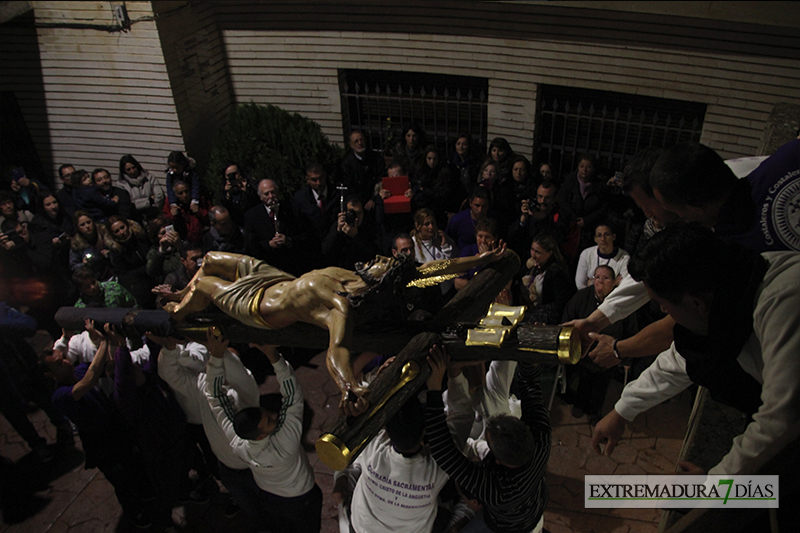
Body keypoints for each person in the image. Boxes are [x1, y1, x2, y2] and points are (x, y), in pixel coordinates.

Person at [155, 248, 507, 415]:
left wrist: (348, 385)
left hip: (259, 305)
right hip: (276, 279)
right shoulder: (362, 278)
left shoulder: (342, 304)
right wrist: (479, 260)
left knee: (206, 287)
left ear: (380, 279)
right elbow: (433, 270)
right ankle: (182, 292)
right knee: (212, 259)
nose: (378, 258)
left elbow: (337, 349)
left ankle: (178, 310)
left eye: (381, 263)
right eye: (381, 259)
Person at [591, 223, 800, 476]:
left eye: (662, 304)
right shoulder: (728, 286)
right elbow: (684, 356)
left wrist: (711, 487)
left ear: (695, 303)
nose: (665, 313)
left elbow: (780, 421)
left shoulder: (785, 301)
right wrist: (622, 411)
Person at [203, 332, 322, 533]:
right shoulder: (286, 443)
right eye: (269, 422)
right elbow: (293, 396)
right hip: (301, 499)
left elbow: (214, 397)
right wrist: (273, 355)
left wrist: (216, 356)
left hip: (269, 497)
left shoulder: (238, 441)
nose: (275, 416)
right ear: (259, 436)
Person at [40, 321, 155, 528]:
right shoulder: (59, 395)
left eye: (63, 359)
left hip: (115, 429)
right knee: (121, 479)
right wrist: (102, 342)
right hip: (101, 444)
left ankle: (147, 495)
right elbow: (90, 378)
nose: (66, 362)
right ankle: (135, 512)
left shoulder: (78, 370)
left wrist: (113, 343)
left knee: (134, 462)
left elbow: (103, 366)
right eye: (58, 364)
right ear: (49, 375)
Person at [425, 346, 550, 533]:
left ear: (498, 461)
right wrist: (528, 347)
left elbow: (445, 453)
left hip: (510, 526)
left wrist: (434, 389)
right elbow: (531, 387)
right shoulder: (541, 438)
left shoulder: (499, 490)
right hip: (535, 504)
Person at [153, 333, 264, 523]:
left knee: (268, 505)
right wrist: (170, 347)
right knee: (250, 507)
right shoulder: (203, 386)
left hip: (255, 467)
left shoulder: (243, 388)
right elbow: (169, 373)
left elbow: (233, 371)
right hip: (227, 468)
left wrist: (218, 352)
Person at [650, 139, 800, 253]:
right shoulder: (789, 154)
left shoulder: (738, 254)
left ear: (696, 207)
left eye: (680, 214)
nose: (686, 221)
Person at [333, 396, 450, 533]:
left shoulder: (372, 450)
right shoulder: (440, 465)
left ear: (386, 430)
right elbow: (461, 417)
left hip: (361, 528)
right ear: (424, 431)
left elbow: (356, 425)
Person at [562, 265, 637, 425]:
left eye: (605, 278)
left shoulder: (622, 301)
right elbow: (568, 317)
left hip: (608, 353)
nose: (600, 281)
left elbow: (631, 330)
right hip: (584, 352)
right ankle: (580, 404)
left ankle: (594, 411)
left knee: (601, 385)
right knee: (584, 379)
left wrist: (625, 357)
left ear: (615, 282)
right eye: (597, 277)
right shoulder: (582, 297)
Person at [244, 178, 301, 275]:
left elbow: (305, 235)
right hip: (267, 267)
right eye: (266, 194)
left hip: (292, 265)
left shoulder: (292, 209)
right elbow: (250, 245)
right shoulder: (252, 216)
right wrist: (268, 244)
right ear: (260, 197)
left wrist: (288, 241)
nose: (271, 196)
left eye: (273, 192)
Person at [516, 233, 575, 325]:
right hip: (527, 309)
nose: (533, 255)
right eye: (532, 250)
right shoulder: (530, 265)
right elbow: (515, 278)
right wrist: (526, 268)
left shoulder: (556, 272)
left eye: (538, 252)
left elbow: (559, 305)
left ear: (549, 254)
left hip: (544, 317)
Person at [557, 154, 608, 256]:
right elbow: (562, 201)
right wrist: (574, 217)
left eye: (588, 167)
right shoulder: (570, 181)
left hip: (589, 227)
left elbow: (603, 208)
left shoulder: (600, 186)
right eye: (581, 166)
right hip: (570, 226)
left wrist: (587, 220)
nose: (584, 170)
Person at [293, 162, 339, 269]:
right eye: (314, 180)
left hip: (335, 249)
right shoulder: (300, 198)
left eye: (321, 178)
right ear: (307, 180)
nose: (318, 183)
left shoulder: (337, 193)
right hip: (313, 250)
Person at [507, 180, 567, 260]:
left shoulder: (558, 215)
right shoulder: (531, 211)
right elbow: (511, 236)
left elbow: (558, 240)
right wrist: (523, 219)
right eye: (540, 196)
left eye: (547, 198)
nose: (543, 201)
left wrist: (543, 220)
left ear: (554, 198)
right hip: (526, 257)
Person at [322, 195, 382, 270]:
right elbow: (326, 251)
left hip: (364, 270)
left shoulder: (372, 227)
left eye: (359, 213)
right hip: (342, 270)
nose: (356, 217)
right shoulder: (340, 226)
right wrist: (337, 232)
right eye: (352, 213)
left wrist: (356, 237)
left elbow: (374, 254)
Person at [411, 208, 457, 296]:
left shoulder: (441, 241)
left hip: (445, 290)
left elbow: (451, 265)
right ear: (418, 226)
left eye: (432, 223)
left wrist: (444, 245)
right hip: (426, 293)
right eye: (427, 224)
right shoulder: (413, 245)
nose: (431, 227)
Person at [340, 129, 386, 211]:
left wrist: (373, 199)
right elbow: (349, 185)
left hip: (375, 196)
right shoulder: (347, 163)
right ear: (351, 144)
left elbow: (381, 179)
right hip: (357, 199)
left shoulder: (376, 158)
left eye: (361, 140)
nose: (360, 143)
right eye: (356, 141)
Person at [574, 223, 630, 290]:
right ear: (595, 239)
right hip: (589, 298)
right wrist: (613, 283)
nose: (603, 239)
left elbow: (623, 284)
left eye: (607, 235)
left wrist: (592, 282)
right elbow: (580, 285)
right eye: (599, 235)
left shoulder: (624, 257)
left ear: (613, 237)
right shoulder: (586, 254)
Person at [117, 154, 165, 222]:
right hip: (136, 218)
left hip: (153, 214)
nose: (132, 171)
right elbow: (129, 205)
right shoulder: (121, 185)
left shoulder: (149, 177)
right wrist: (149, 201)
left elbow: (159, 195)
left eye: (133, 167)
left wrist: (153, 206)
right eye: (128, 169)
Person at [68, 210, 113, 280]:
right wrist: (83, 264)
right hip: (94, 278)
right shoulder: (76, 243)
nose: (87, 226)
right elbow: (73, 266)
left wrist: (110, 253)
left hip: (112, 272)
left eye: (89, 222)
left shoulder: (104, 232)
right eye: (82, 225)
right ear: (78, 228)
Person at [164, 180, 208, 245]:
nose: (184, 195)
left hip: (200, 238)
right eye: (180, 193)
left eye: (186, 191)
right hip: (181, 240)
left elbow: (210, 217)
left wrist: (199, 211)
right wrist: (172, 215)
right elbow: (165, 222)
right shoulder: (170, 204)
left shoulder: (199, 200)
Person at [72, 266, 136, 308]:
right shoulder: (80, 306)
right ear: (81, 289)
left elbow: (133, 304)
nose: (93, 287)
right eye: (87, 287)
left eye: (93, 282)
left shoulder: (113, 287)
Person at [218, 161, 259, 227]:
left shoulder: (250, 184)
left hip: (253, 221)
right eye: (230, 175)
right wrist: (227, 195)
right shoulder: (224, 190)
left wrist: (247, 190)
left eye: (235, 174)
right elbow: (223, 210)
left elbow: (258, 200)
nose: (233, 177)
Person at [145, 217, 182, 284]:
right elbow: (151, 271)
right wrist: (162, 250)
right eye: (163, 233)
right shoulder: (153, 252)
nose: (167, 235)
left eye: (169, 231)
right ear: (156, 237)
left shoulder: (183, 244)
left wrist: (179, 247)